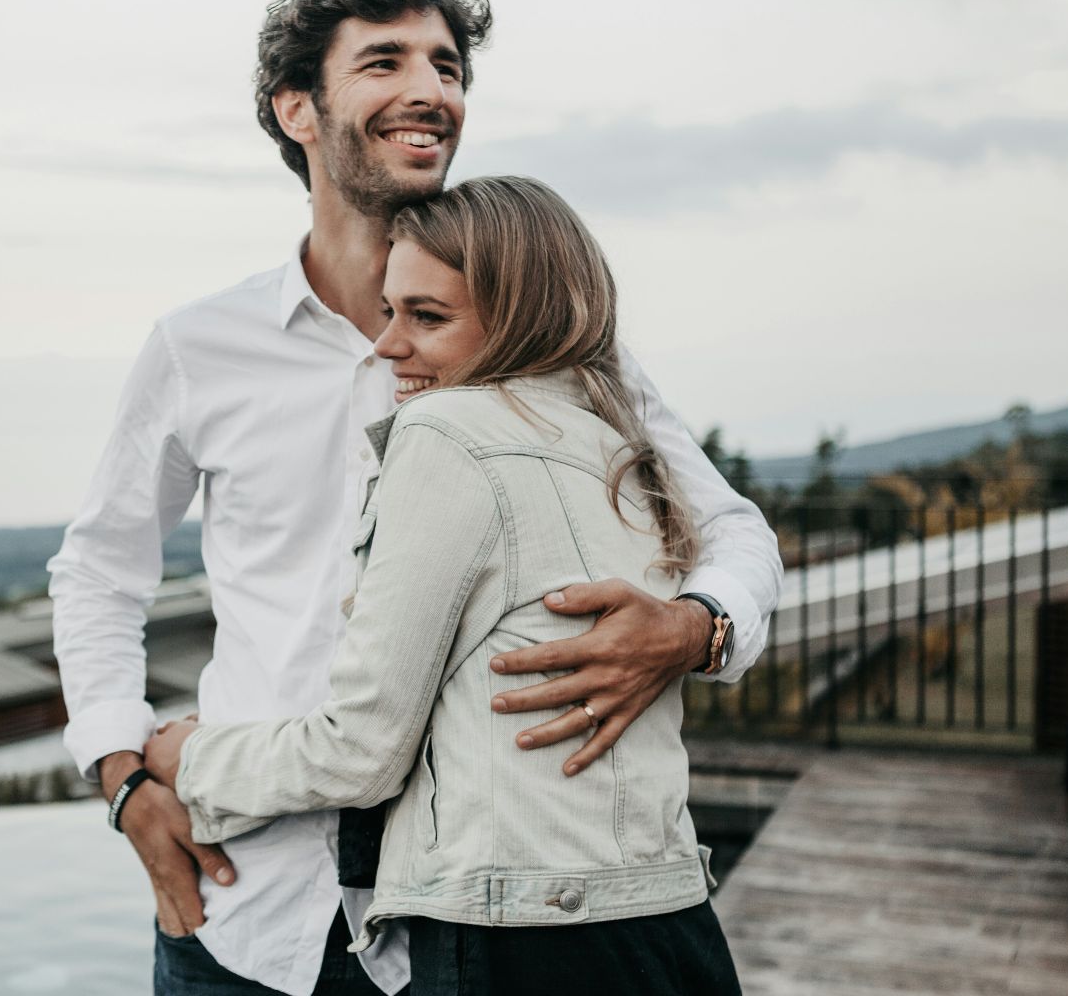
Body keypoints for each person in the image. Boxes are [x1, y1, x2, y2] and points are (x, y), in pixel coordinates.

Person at [47, 0, 781, 996]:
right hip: (241, 906)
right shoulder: (198, 346)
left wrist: (694, 627)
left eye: (447, 66)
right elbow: (99, 572)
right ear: (296, 108)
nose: (431, 89)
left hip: (456, 932)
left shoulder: (556, 348)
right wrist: (124, 778)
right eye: (385, 61)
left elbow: (733, 530)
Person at [142, 175, 745, 996]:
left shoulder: (444, 432)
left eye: (427, 317)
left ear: (522, 315)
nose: (388, 345)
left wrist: (189, 759)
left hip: (524, 940)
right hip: (669, 916)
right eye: (390, 311)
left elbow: (362, 751)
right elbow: (737, 533)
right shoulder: (618, 441)